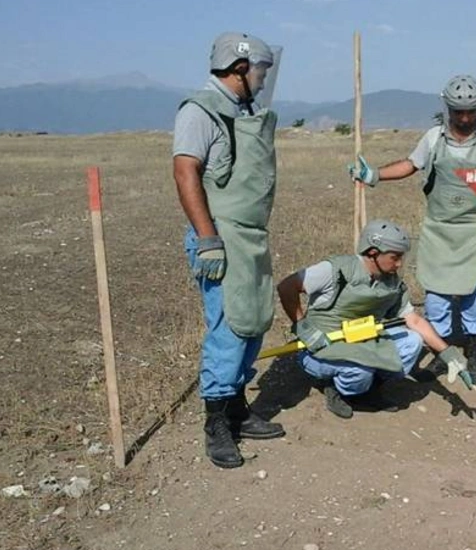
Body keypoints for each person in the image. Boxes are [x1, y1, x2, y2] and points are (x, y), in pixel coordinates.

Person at [350, 75, 476, 387]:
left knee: (474, 301)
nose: (465, 118)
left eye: (471, 112)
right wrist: (375, 175)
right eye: (458, 112)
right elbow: (411, 164)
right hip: (439, 232)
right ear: (448, 109)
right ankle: (442, 354)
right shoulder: (434, 138)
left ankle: (475, 356)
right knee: (436, 301)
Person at [173, 31, 284, 469]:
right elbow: (185, 174)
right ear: (240, 68)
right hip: (220, 238)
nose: (262, 79)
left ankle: (237, 406)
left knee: (252, 322)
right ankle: (216, 422)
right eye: (259, 70)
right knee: (228, 327)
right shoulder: (200, 111)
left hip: (250, 237)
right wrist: (207, 240)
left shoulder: (240, 109)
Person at [276, 220, 470, 419]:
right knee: (360, 369)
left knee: (412, 341)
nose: (399, 264)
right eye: (394, 257)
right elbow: (286, 287)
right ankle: (337, 389)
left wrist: (447, 353)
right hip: (320, 346)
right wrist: (303, 327)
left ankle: (367, 389)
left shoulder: (392, 282)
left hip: (361, 339)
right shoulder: (337, 270)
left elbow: (415, 321)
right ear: (372, 252)